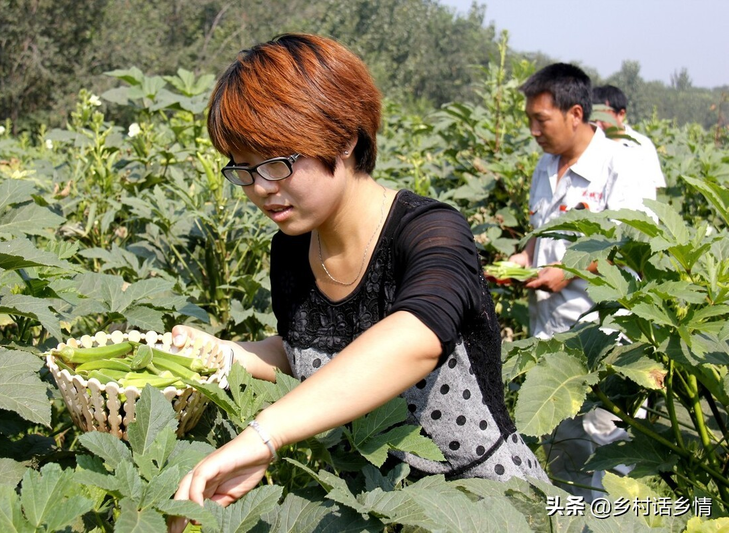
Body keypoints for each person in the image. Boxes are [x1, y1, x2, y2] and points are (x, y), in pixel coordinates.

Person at [168, 33, 547, 531]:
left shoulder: (431, 231)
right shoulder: (290, 249)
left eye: (277, 162)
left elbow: (414, 340)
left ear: (344, 138)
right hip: (374, 510)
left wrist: (264, 436)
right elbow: (311, 350)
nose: (260, 188)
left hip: (487, 506)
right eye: (243, 167)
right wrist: (223, 352)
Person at [508, 63, 656, 502]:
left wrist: (570, 271)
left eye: (541, 120)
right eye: (530, 120)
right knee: (565, 448)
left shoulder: (621, 167)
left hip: (605, 338)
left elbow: (634, 243)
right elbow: (540, 235)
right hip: (550, 335)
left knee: (609, 451)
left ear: (575, 114)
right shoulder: (544, 164)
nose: (533, 130)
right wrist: (523, 260)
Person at [593, 84, 666, 189]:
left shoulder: (641, 145)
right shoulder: (591, 144)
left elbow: (656, 185)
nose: (597, 124)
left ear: (621, 114)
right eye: (593, 118)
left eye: (602, 118)